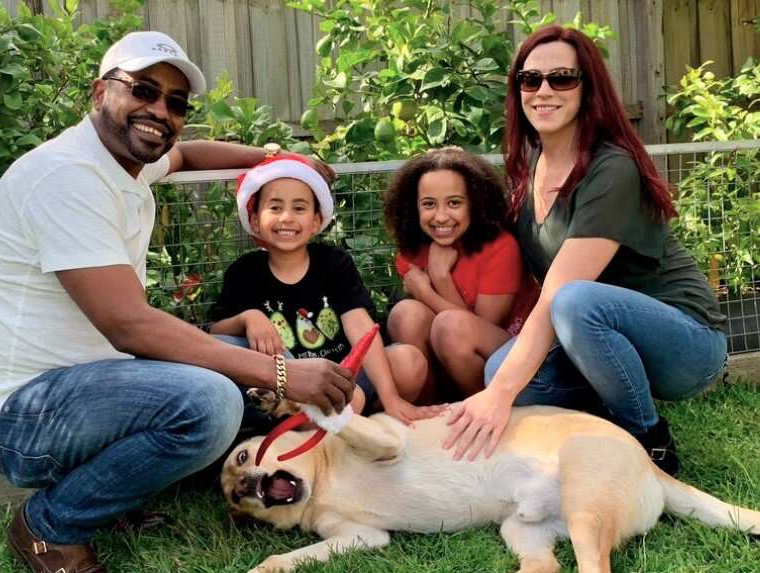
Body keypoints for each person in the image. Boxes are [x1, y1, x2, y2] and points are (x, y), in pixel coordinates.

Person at [0, 31, 356, 573]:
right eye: (143, 90)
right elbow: (129, 325)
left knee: (244, 358)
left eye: (175, 102)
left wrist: (278, 159)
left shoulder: (124, 162)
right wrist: (284, 375)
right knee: (213, 400)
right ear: (100, 92)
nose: (160, 111)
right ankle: (48, 527)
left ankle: (106, 497)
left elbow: (190, 153)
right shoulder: (67, 176)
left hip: (80, 391)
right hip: (20, 418)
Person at [444, 26, 727, 475]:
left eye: (562, 78)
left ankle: (648, 439)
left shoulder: (611, 168)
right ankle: (600, 424)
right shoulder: (531, 163)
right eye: (530, 79)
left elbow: (559, 293)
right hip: (599, 337)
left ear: (587, 88)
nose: (543, 91)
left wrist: (496, 400)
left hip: (686, 344)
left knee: (572, 302)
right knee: (501, 371)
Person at [208, 153, 436, 424]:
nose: (287, 218)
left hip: (344, 374)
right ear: (255, 220)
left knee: (409, 362)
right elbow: (215, 333)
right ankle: (321, 426)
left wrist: (391, 397)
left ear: (317, 221)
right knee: (349, 401)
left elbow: (360, 327)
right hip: (291, 386)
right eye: (275, 207)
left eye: (300, 208)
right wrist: (248, 318)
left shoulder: (333, 262)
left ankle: (373, 420)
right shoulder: (245, 271)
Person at [384, 147, 538, 398]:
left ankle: (480, 406)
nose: (441, 216)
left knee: (451, 326)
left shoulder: (500, 247)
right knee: (405, 314)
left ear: (475, 204)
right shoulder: (412, 251)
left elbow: (474, 329)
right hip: (449, 351)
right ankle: (431, 409)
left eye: (454, 203)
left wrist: (436, 282)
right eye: (429, 204)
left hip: (506, 354)